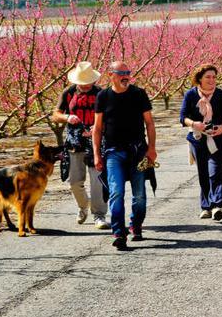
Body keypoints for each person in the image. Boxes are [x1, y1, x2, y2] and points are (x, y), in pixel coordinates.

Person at [92, 61, 157, 251]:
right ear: (111, 75)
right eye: (121, 73)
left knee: (139, 195)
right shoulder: (103, 96)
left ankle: (136, 224)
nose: (125, 76)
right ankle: (119, 232)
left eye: (128, 72)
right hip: (113, 153)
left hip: (138, 152)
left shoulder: (139, 94)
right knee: (116, 191)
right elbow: (97, 129)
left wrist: (151, 148)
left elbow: (150, 123)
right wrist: (97, 154)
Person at [52, 61, 109, 229]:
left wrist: (99, 127)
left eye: (87, 83)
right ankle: (83, 206)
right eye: (81, 83)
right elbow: (56, 114)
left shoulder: (102, 94)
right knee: (75, 182)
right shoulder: (68, 93)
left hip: (97, 142)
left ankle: (99, 215)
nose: (84, 86)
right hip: (74, 143)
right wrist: (67, 117)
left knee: (97, 181)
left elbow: (110, 115)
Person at [181, 64, 222, 221]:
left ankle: (217, 205)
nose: (211, 80)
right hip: (197, 138)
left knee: (215, 171)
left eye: (214, 77)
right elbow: (183, 117)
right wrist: (194, 124)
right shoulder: (190, 95)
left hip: (217, 138)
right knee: (203, 172)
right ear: (200, 79)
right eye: (208, 77)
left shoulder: (221, 95)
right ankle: (205, 207)